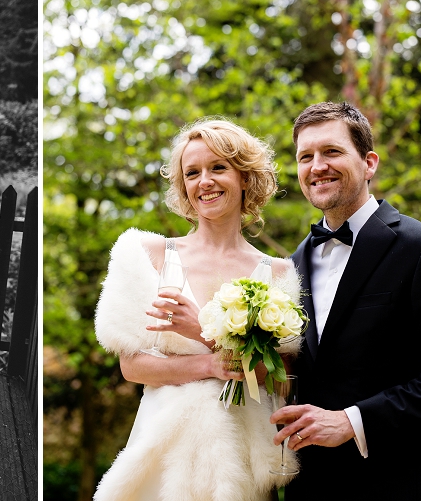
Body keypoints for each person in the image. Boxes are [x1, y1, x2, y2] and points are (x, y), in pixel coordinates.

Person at [93, 117, 301, 501]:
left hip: (241, 460)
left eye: (218, 167)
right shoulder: (148, 257)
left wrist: (202, 334)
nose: (204, 181)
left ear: (245, 177)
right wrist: (209, 365)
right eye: (192, 173)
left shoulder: (279, 273)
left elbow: (283, 377)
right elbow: (132, 366)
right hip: (165, 452)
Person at [272, 101, 421, 501]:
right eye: (305, 157)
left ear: (369, 163)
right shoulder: (291, 265)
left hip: (389, 483)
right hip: (305, 485)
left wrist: (352, 422)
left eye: (331, 151)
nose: (317, 166)